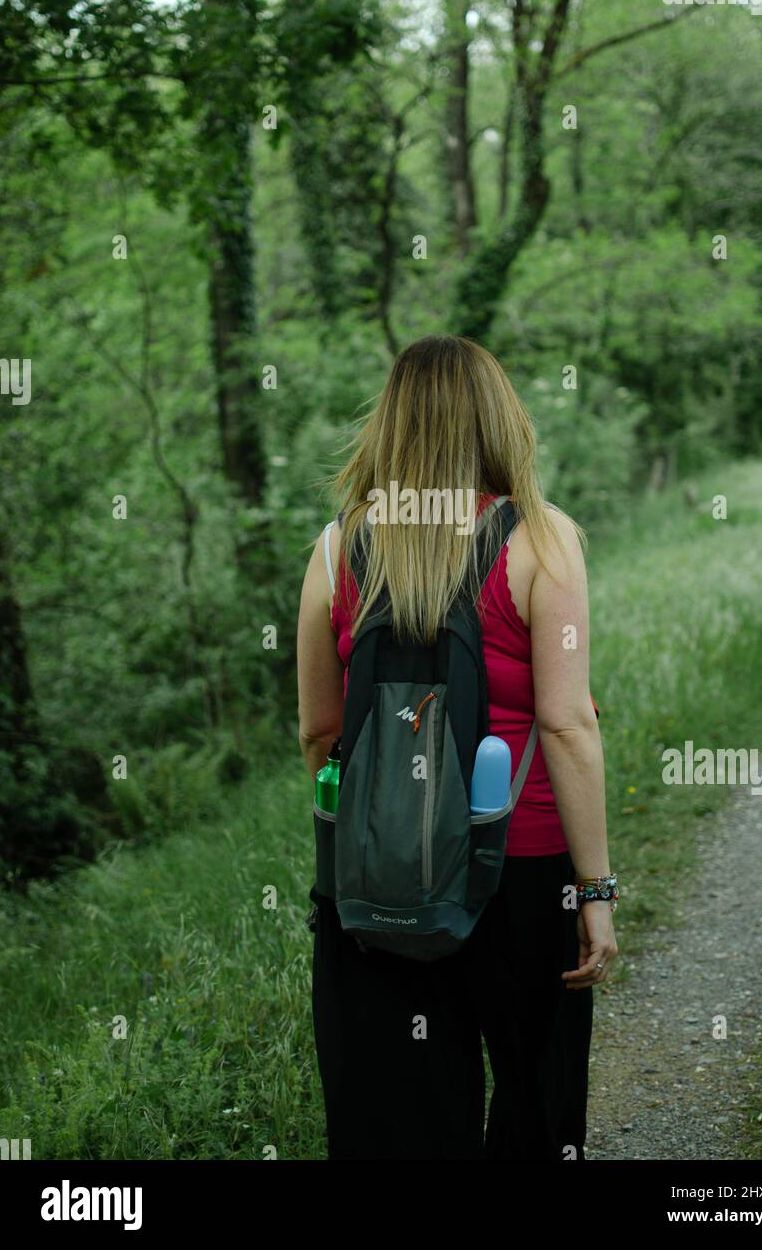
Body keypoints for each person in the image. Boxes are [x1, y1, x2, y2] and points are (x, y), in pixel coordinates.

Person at [296, 335, 617, 1160]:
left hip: (374, 877)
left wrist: (385, 826)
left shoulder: (337, 549)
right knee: (533, 1095)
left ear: (391, 426)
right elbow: (566, 723)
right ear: (499, 421)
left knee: (395, 1118)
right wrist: (594, 889)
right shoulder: (542, 541)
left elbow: (319, 734)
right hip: (518, 863)